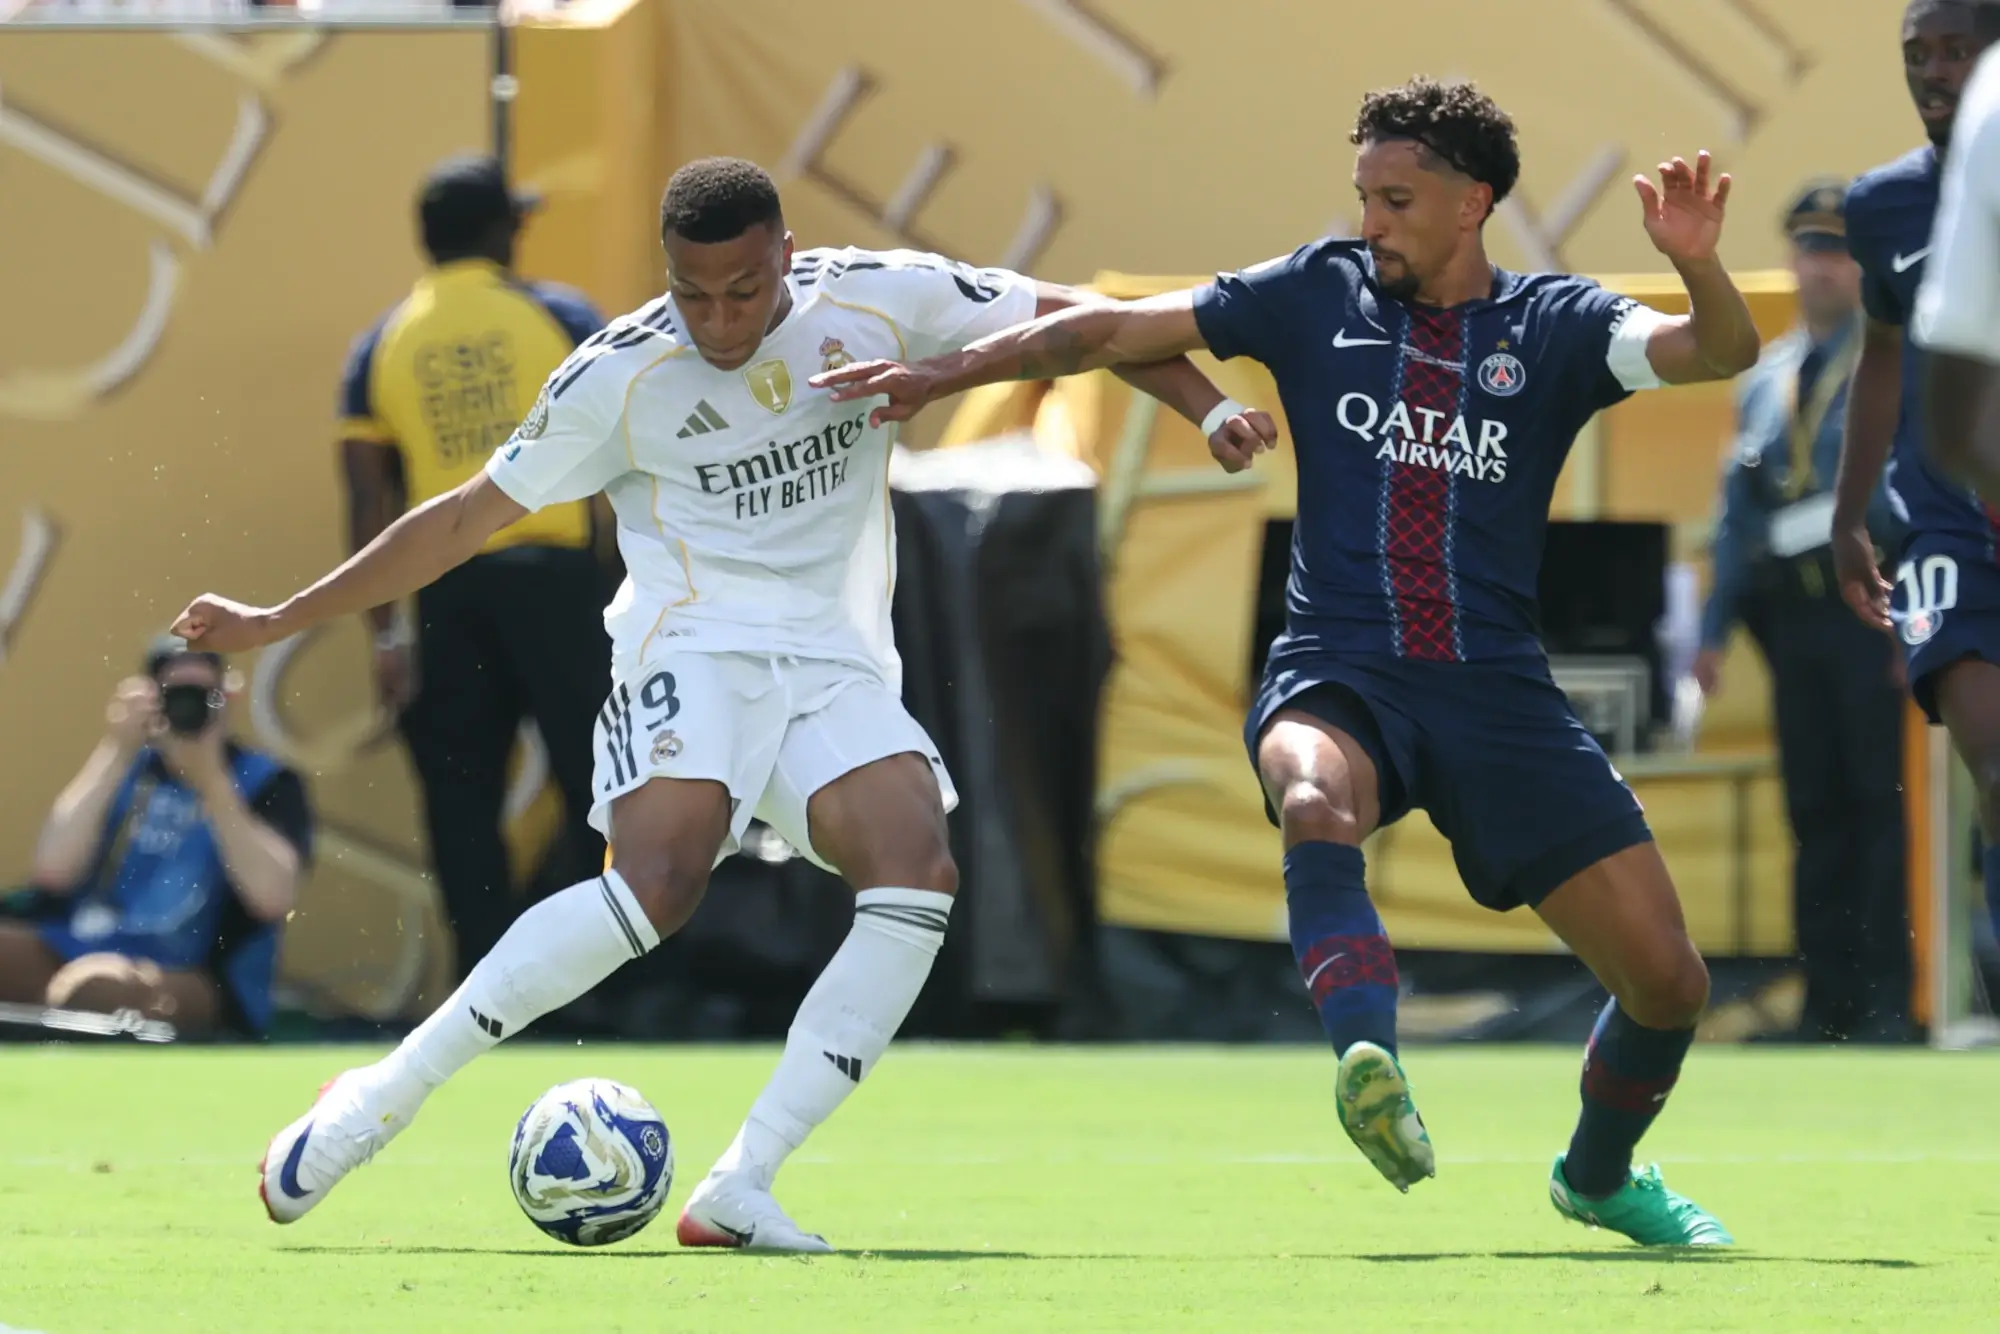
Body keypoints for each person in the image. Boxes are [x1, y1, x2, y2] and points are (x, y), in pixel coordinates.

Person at [172, 157, 1247, 1250]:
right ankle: (375, 1100)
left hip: (831, 660)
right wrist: (277, 617)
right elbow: (456, 518)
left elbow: (1091, 326)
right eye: (693, 294)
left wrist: (1205, 409)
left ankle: (742, 1181)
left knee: (916, 869)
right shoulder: (618, 373)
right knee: (658, 885)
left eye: (743, 291)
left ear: (785, 255)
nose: (720, 320)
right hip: (689, 642)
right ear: (665, 274)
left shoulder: (876, 292)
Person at [815, 78, 1760, 1246]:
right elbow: (1105, 333)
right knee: (1312, 793)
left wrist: (1699, 266)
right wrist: (935, 378)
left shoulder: (1557, 325)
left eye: (1396, 199)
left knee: (1668, 982)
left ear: (1472, 203)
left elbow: (1717, 351)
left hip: (1494, 691)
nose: (1371, 220)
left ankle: (1598, 1174)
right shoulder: (1316, 289)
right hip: (1338, 665)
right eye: (1362, 195)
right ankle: (1368, 1051)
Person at [341, 154, 615, 978]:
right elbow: (628, 448)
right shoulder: (559, 314)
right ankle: (612, 979)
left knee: (462, 800)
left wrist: (386, 637)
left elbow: (365, 506)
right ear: (502, 231)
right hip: (561, 581)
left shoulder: (381, 345)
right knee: (606, 785)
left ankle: (488, 986)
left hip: (447, 591)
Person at [1694, 181, 1911, 1043]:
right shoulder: (1769, 375)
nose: (1819, 267)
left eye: (1836, 251)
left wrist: (1922, 617)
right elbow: (1735, 512)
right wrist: (1711, 631)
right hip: (1791, 621)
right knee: (1813, 811)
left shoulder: (1895, 362)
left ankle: (1894, 1001)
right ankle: (1829, 1003)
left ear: (1863, 265)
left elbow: (1925, 495)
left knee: (1880, 806)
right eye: (1808, 249)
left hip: (1877, 615)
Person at [1831, 0, 2000, 968]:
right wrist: (1850, 512)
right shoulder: (1881, 203)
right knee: (1989, 753)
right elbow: (1883, 351)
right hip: (1949, 518)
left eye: (1955, 49)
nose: (1931, 70)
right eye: (1913, 53)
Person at [0, 639, 311, 1037]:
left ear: (228, 698)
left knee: (92, 989)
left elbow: (273, 897)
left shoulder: (266, 781)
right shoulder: (128, 766)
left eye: (203, 696)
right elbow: (52, 871)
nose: (187, 707)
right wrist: (116, 747)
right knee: (77, 980)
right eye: (173, 695)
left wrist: (212, 780)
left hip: (196, 975)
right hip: (82, 944)